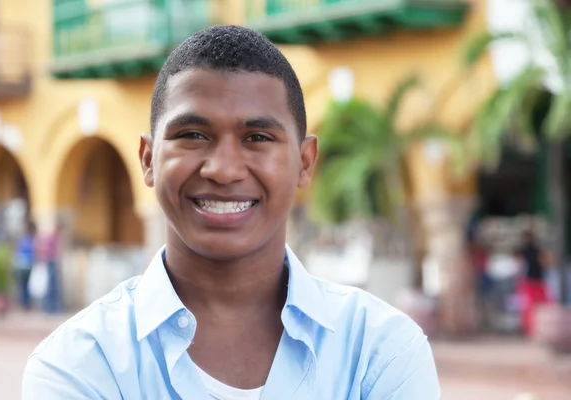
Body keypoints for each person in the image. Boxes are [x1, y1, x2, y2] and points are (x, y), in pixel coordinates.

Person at [22, 25, 440, 399]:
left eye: (257, 137)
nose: (222, 170)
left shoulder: (379, 351)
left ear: (305, 162)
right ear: (148, 159)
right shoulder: (78, 366)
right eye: (192, 135)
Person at [515, 229, 551, 337]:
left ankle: (530, 328)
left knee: (529, 307)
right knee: (542, 305)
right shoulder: (537, 249)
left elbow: (520, 266)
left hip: (530, 281)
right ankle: (537, 328)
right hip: (537, 280)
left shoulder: (524, 250)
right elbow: (545, 263)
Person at [35, 222, 63, 314]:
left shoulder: (53, 238)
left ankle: (53, 307)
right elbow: (45, 250)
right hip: (51, 262)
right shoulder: (50, 238)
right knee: (51, 286)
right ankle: (50, 308)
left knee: (53, 286)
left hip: (52, 262)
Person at [13, 221, 37, 310]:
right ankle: (25, 304)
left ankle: (24, 304)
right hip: (27, 265)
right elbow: (33, 252)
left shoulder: (23, 239)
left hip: (21, 265)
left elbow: (18, 252)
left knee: (23, 285)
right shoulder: (31, 239)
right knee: (26, 285)